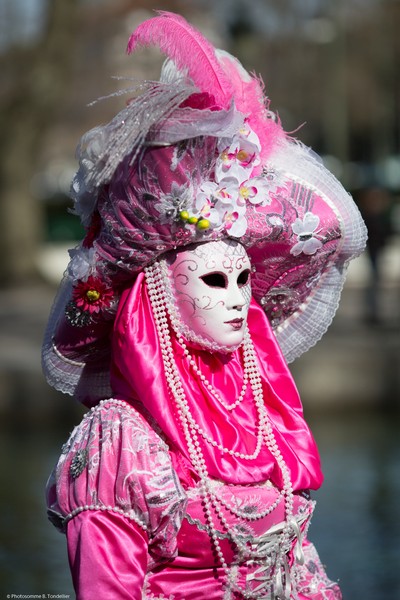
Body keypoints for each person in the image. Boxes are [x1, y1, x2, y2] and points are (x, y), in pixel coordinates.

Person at [43, 12, 367, 599]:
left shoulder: (266, 418)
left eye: (244, 280)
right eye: (215, 280)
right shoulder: (120, 442)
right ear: (159, 292)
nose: (240, 300)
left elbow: (303, 573)